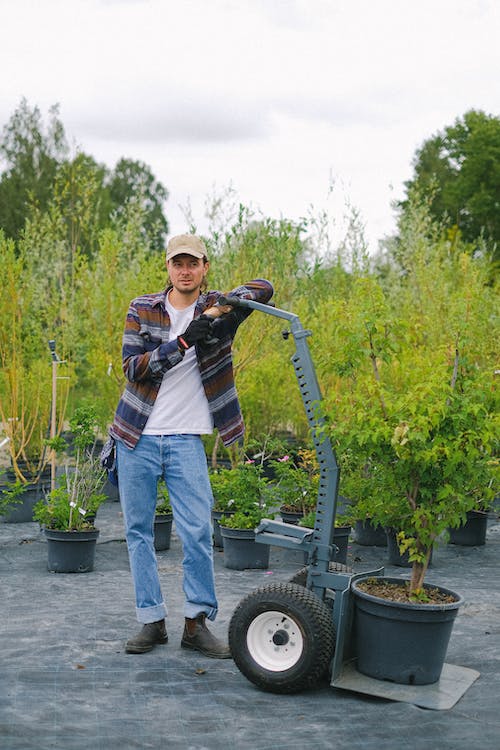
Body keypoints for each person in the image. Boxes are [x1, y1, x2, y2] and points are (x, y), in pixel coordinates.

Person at [106, 233, 273, 657]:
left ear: (204, 267)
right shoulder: (142, 308)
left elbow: (265, 288)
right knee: (138, 532)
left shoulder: (220, 312)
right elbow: (132, 368)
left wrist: (215, 312)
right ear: (167, 267)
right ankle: (151, 622)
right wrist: (181, 343)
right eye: (177, 263)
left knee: (198, 531)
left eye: (192, 263)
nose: (185, 270)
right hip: (137, 436)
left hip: (185, 439)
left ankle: (196, 624)